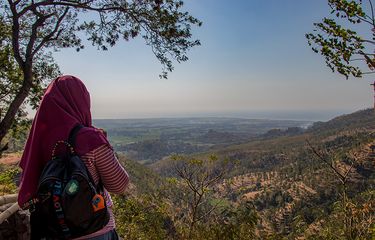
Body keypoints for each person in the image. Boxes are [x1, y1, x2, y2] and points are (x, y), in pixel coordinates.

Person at [18, 75, 129, 239]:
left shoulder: (38, 139)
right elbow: (119, 185)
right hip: (93, 230)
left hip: (52, 231)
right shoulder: (90, 138)